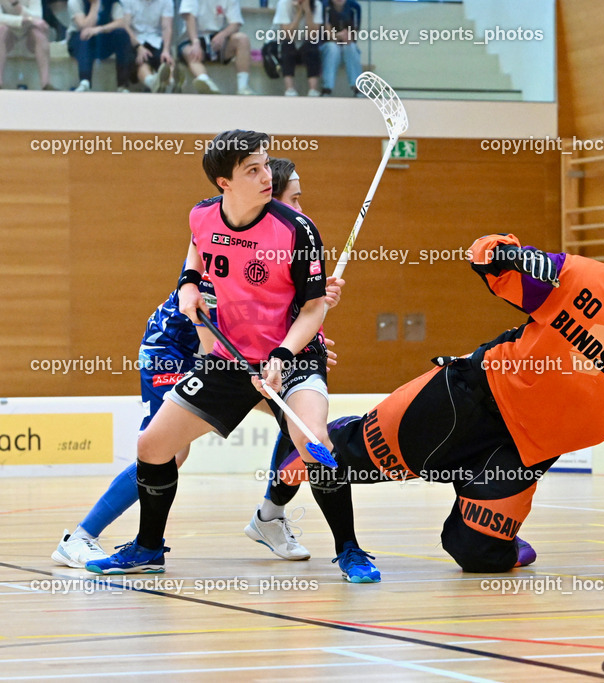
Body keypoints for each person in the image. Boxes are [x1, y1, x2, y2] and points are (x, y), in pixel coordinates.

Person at [300, 211, 604, 572]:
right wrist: (506, 251)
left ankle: (501, 538)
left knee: (478, 556)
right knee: (335, 461)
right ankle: (332, 440)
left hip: (523, 454)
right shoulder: (575, 276)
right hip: (471, 398)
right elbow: (484, 259)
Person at [54, 157, 351, 571]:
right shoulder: (228, 236)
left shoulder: (285, 237)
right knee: (169, 451)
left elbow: (278, 312)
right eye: (295, 200)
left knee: (299, 423)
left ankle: (270, 516)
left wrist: (309, 326)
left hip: (241, 354)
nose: (300, 210)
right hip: (178, 349)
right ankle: (81, 538)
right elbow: (213, 337)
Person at [177, 0, 254, 95]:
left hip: (216, 38)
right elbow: (189, 17)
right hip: (191, 37)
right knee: (190, 52)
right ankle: (205, 81)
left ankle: (243, 87)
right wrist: (195, 42)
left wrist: (223, 34)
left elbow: (236, 23)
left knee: (242, 39)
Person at [66, 0, 133, 92]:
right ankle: (85, 83)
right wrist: (95, 4)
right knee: (85, 36)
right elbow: (84, 26)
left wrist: (100, 29)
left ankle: (122, 86)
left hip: (102, 39)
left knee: (122, 34)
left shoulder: (112, 2)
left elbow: (121, 23)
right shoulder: (75, 2)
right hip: (78, 42)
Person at [0, 0, 54, 90]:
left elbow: (38, 17)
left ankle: (46, 84)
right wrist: (23, 20)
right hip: (8, 30)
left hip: (29, 30)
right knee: (1, 30)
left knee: (40, 34)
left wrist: (16, 5)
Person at [272, 0, 321, 97]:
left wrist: (307, 11)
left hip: (305, 45)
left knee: (312, 46)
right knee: (287, 44)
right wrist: (299, 13)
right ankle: (289, 89)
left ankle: (313, 90)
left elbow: (313, 35)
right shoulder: (283, 3)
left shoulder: (316, 4)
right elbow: (287, 35)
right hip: (286, 44)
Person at [121, 0, 172, 92]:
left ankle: (171, 83)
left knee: (167, 61)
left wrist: (166, 50)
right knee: (141, 61)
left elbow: (167, 27)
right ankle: (152, 82)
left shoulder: (167, 1)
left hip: (156, 39)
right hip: (135, 39)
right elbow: (126, 26)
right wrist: (139, 47)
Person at [318, 0, 358, 97]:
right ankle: (327, 88)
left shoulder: (354, 8)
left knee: (351, 47)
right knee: (333, 48)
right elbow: (327, 36)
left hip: (345, 45)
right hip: (326, 46)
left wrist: (348, 37)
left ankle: (357, 87)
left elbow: (354, 36)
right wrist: (338, 36)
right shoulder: (324, 7)